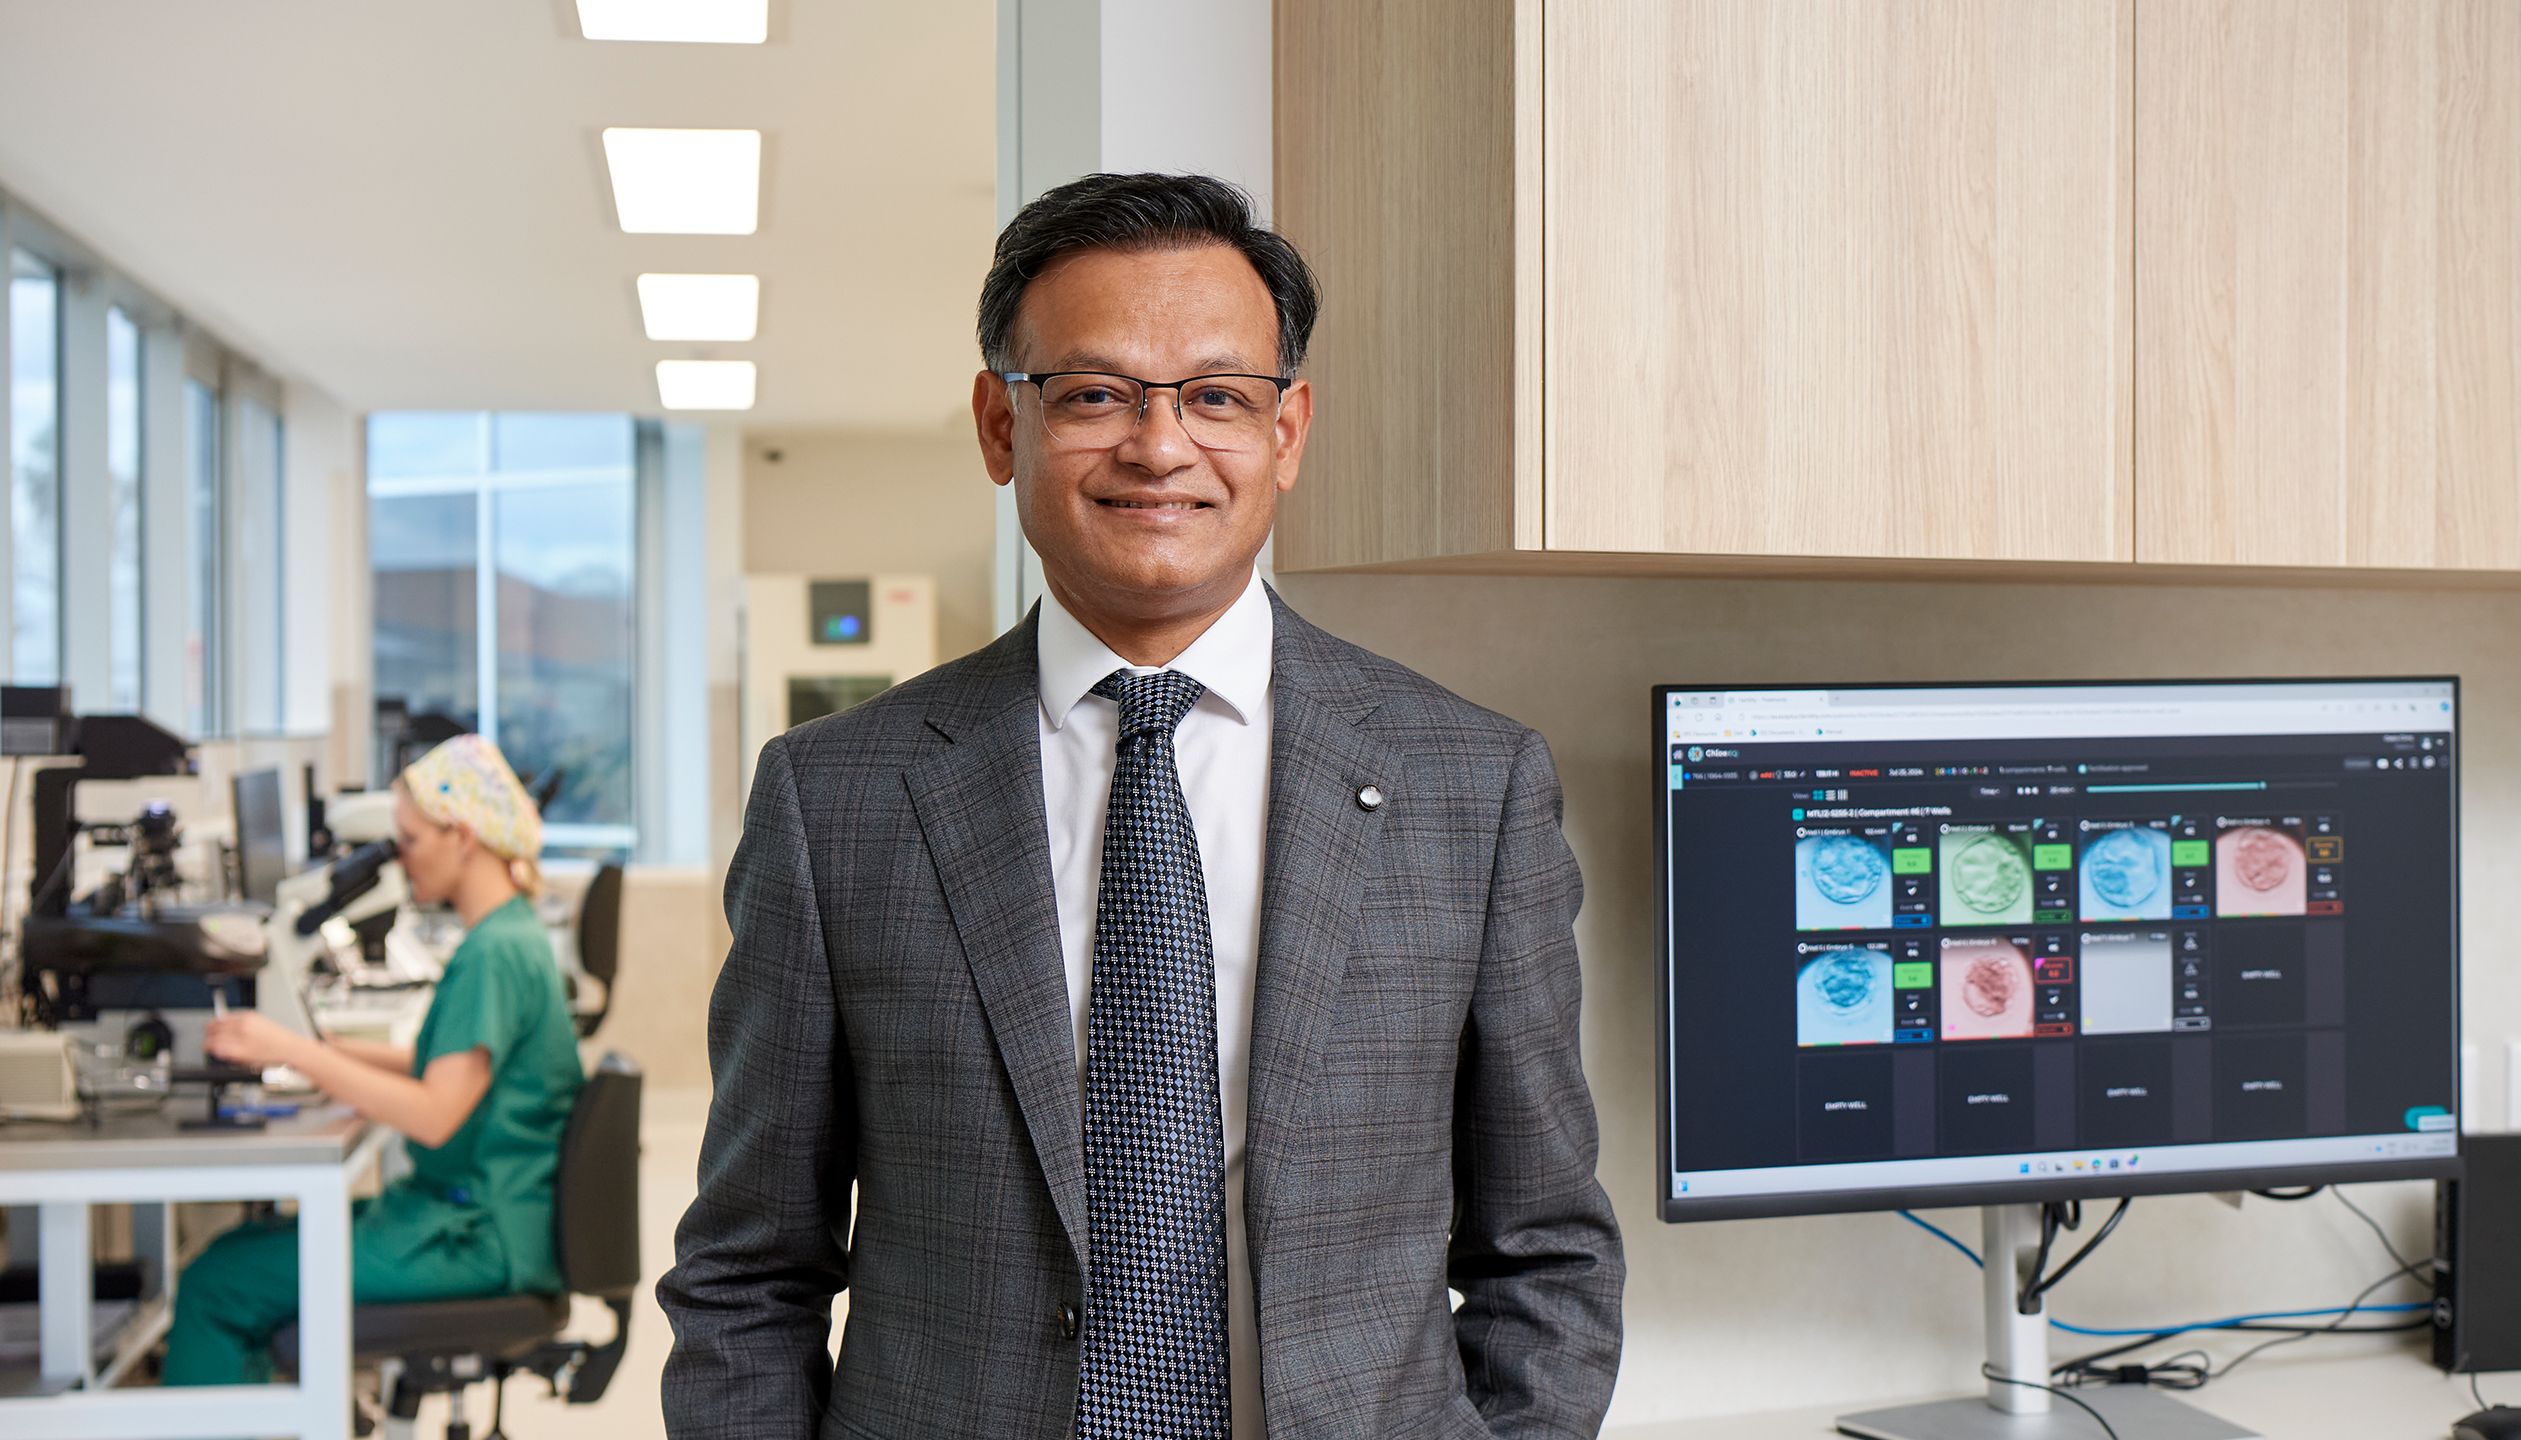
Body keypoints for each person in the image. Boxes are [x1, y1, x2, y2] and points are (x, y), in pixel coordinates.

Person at [661, 172, 1624, 1439]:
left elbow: (1542, 1249)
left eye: (1218, 397)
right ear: (1001, 427)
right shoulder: (835, 797)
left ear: (1286, 433)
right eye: (1096, 394)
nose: (1159, 447)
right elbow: (750, 1272)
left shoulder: (1472, 784)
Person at [164, 734, 584, 1385]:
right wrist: (326, 1051)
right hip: (469, 1217)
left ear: (464, 837)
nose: (402, 862)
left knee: (218, 1282)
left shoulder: (496, 954)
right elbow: (437, 1063)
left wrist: (292, 1050)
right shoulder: (509, 933)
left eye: (411, 842)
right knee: (240, 1252)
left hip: (471, 1236)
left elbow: (436, 1114)